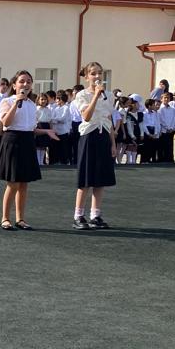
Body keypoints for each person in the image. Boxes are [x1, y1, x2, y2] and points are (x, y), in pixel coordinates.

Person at [0, 70, 59, 230]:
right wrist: (16, 102)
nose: (25, 84)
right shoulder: (7, 101)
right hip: (12, 141)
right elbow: (6, 122)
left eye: (29, 81)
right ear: (14, 85)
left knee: (24, 183)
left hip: (27, 142)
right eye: (22, 81)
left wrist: (46, 131)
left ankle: (20, 219)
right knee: (13, 183)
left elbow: (31, 128)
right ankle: (5, 218)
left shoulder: (31, 105)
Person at [72, 61, 117, 230]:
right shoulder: (82, 95)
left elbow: (108, 119)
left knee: (100, 179)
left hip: (103, 136)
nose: (97, 76)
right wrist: (96, 96)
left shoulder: (109, 96)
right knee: (85, 179)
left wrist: (113, 143)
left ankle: (95, 215)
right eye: (93, 73)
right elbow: (86, 116)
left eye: (100, 73)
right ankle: (78, 215)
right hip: (88, 137)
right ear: (86, 77)